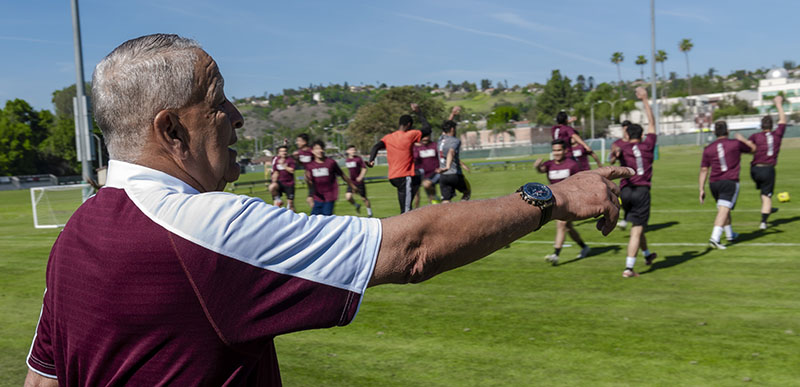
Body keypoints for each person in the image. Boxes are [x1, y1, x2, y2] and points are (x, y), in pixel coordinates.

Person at [25, 34, 632, 386]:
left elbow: (42, 380)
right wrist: (550, 197)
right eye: (217, 102)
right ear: (172, 131)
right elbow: (410, 248)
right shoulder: (197, 228)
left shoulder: (74, 237)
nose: (237, 116)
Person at [617, 87, 658, 278]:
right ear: (641, 136)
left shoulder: (622, 146)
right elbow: (652, 122)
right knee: (636, 229)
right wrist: (645, 99)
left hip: (625, 191)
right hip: (642, 191)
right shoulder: (648, 145)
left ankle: (647, 255)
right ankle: (629, 268)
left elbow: (614, 152)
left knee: (637, 224)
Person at [699, 121, 756, 249]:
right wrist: (743, 139)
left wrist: (701, 189)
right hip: (729, 181)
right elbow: (753, 150)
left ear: (714, 133)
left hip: (714, 183)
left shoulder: (708, 149)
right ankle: (715, 238)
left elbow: (704, 169)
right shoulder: (735, 143)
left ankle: (730, 235)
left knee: (724, 209)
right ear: (727, 131)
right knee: (724, 210)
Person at [367, 103, 432, 213]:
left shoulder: (388, 137)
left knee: (418, 174)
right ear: (409, 124)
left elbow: (376, 146)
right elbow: (427, 128)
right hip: (404, 177)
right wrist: (419, 112)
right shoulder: (410, 135)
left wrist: (371, 160)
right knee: (406, 211)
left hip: (393, 177)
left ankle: (413, 197)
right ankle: (407, 227)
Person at [534, 139, 591, 265]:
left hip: (570, 201)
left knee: (561, 225)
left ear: (565, 150)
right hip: (555, 201)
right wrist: (537, 166)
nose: (556, 153)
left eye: (559, 150)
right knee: (568, 227)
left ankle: (556, 254)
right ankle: (584, 247)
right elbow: (542, 170)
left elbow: (580, 181)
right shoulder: (550, 164)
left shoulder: (572, 165)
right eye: (554, 150)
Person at [748, 95, 787, 230]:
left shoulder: (755, 136)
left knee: (764, 194)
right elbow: (783, 120)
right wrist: (778, 104)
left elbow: (749, 148)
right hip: (768, 169)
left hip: (754, 170)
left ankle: (768, 207)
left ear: (761, 126)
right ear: (772, 126)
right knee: (766, 196)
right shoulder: (777, 135)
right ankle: (764, 222)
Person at [305, 140, 358, 216]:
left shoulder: (331, 163)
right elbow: (310, 183)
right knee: (313, 219)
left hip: (330, 195)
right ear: (312, 151)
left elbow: (342, 175)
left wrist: (352, 186)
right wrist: (310, 195)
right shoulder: (310, 165)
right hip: (318, 197)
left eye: (321, 148)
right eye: (317, 149)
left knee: (326, 218)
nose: (320, 151)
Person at [437, 113, 472, 203]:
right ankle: (460, 212)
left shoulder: (440, 139)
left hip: (443, 176)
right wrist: (448, 167)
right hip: (454, 174)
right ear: (452, 129)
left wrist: (452, 114)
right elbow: (451, 152)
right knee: (467, 192)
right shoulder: (455, 141)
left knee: (446, 200)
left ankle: (445, 216)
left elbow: (445, 128)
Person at [609, 121, 631, 229]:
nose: (626, 132)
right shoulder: (618, 143)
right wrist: (616, 155)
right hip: (625, 177)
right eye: (625, 129)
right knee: (624, 199)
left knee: (632, 200)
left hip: (638, 176)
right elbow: (612, 161)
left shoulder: (635, 142)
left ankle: (626, 220)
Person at [412, 133, 441, 207]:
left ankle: (434, 199)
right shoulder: (416, 147)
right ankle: (417, 210)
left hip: (435, 172)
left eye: (426, 137)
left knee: (427, 185)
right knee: (418, 194)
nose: (425, 139)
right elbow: (414, 159)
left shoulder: (435, 145)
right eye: (423, 137)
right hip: (421, 173)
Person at [344, 145, 373, 217]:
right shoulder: (347, 160)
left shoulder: (358, 159)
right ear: (347, 151)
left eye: (354, 150)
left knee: (364, 198)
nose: (353, 151)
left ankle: (370, 213)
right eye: (351, 150)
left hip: (359, 182)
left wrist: (360, 177)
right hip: (351, 182)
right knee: (348, 197)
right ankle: (357, 205)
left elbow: (364, 168)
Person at [268, 145, 296, 211]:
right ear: (279, 152)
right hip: (280, 182)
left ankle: (293, 217)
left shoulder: (290, 160)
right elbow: (275, 171)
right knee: (272, 187)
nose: (283, 152)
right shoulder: (276, 160)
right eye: (281, 151)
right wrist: (274, 179)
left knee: (290, 205)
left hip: (289, 183)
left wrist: (283, 165)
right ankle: (278, 200)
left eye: (285, 151)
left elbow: (292, 170)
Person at [293, 133, 315, 208]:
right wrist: (296, 159)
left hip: (317, 178)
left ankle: (320, 216)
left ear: (304, 142)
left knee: (311, 199)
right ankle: (321, 216)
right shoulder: (300, 152)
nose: (297, 143)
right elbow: (301, 164)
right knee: (311, 199)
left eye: (298, 141)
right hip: (309, 179)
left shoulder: (312, 151)